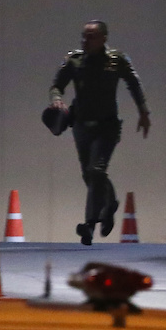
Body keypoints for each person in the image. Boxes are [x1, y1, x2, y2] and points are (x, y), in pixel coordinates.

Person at [49, 20, 150, 245]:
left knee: (96, 171)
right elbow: (57, 85)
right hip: (81, 126)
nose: (85, 41)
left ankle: (89, 225)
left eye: (91, 37)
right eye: (83, 36)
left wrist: (143, 112)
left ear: (104, 38)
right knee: (89, 174)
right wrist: (56, 100)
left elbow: (134, 83)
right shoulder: (74, 60)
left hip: (107, 127)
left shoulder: (116, 60)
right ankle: (110, 203)